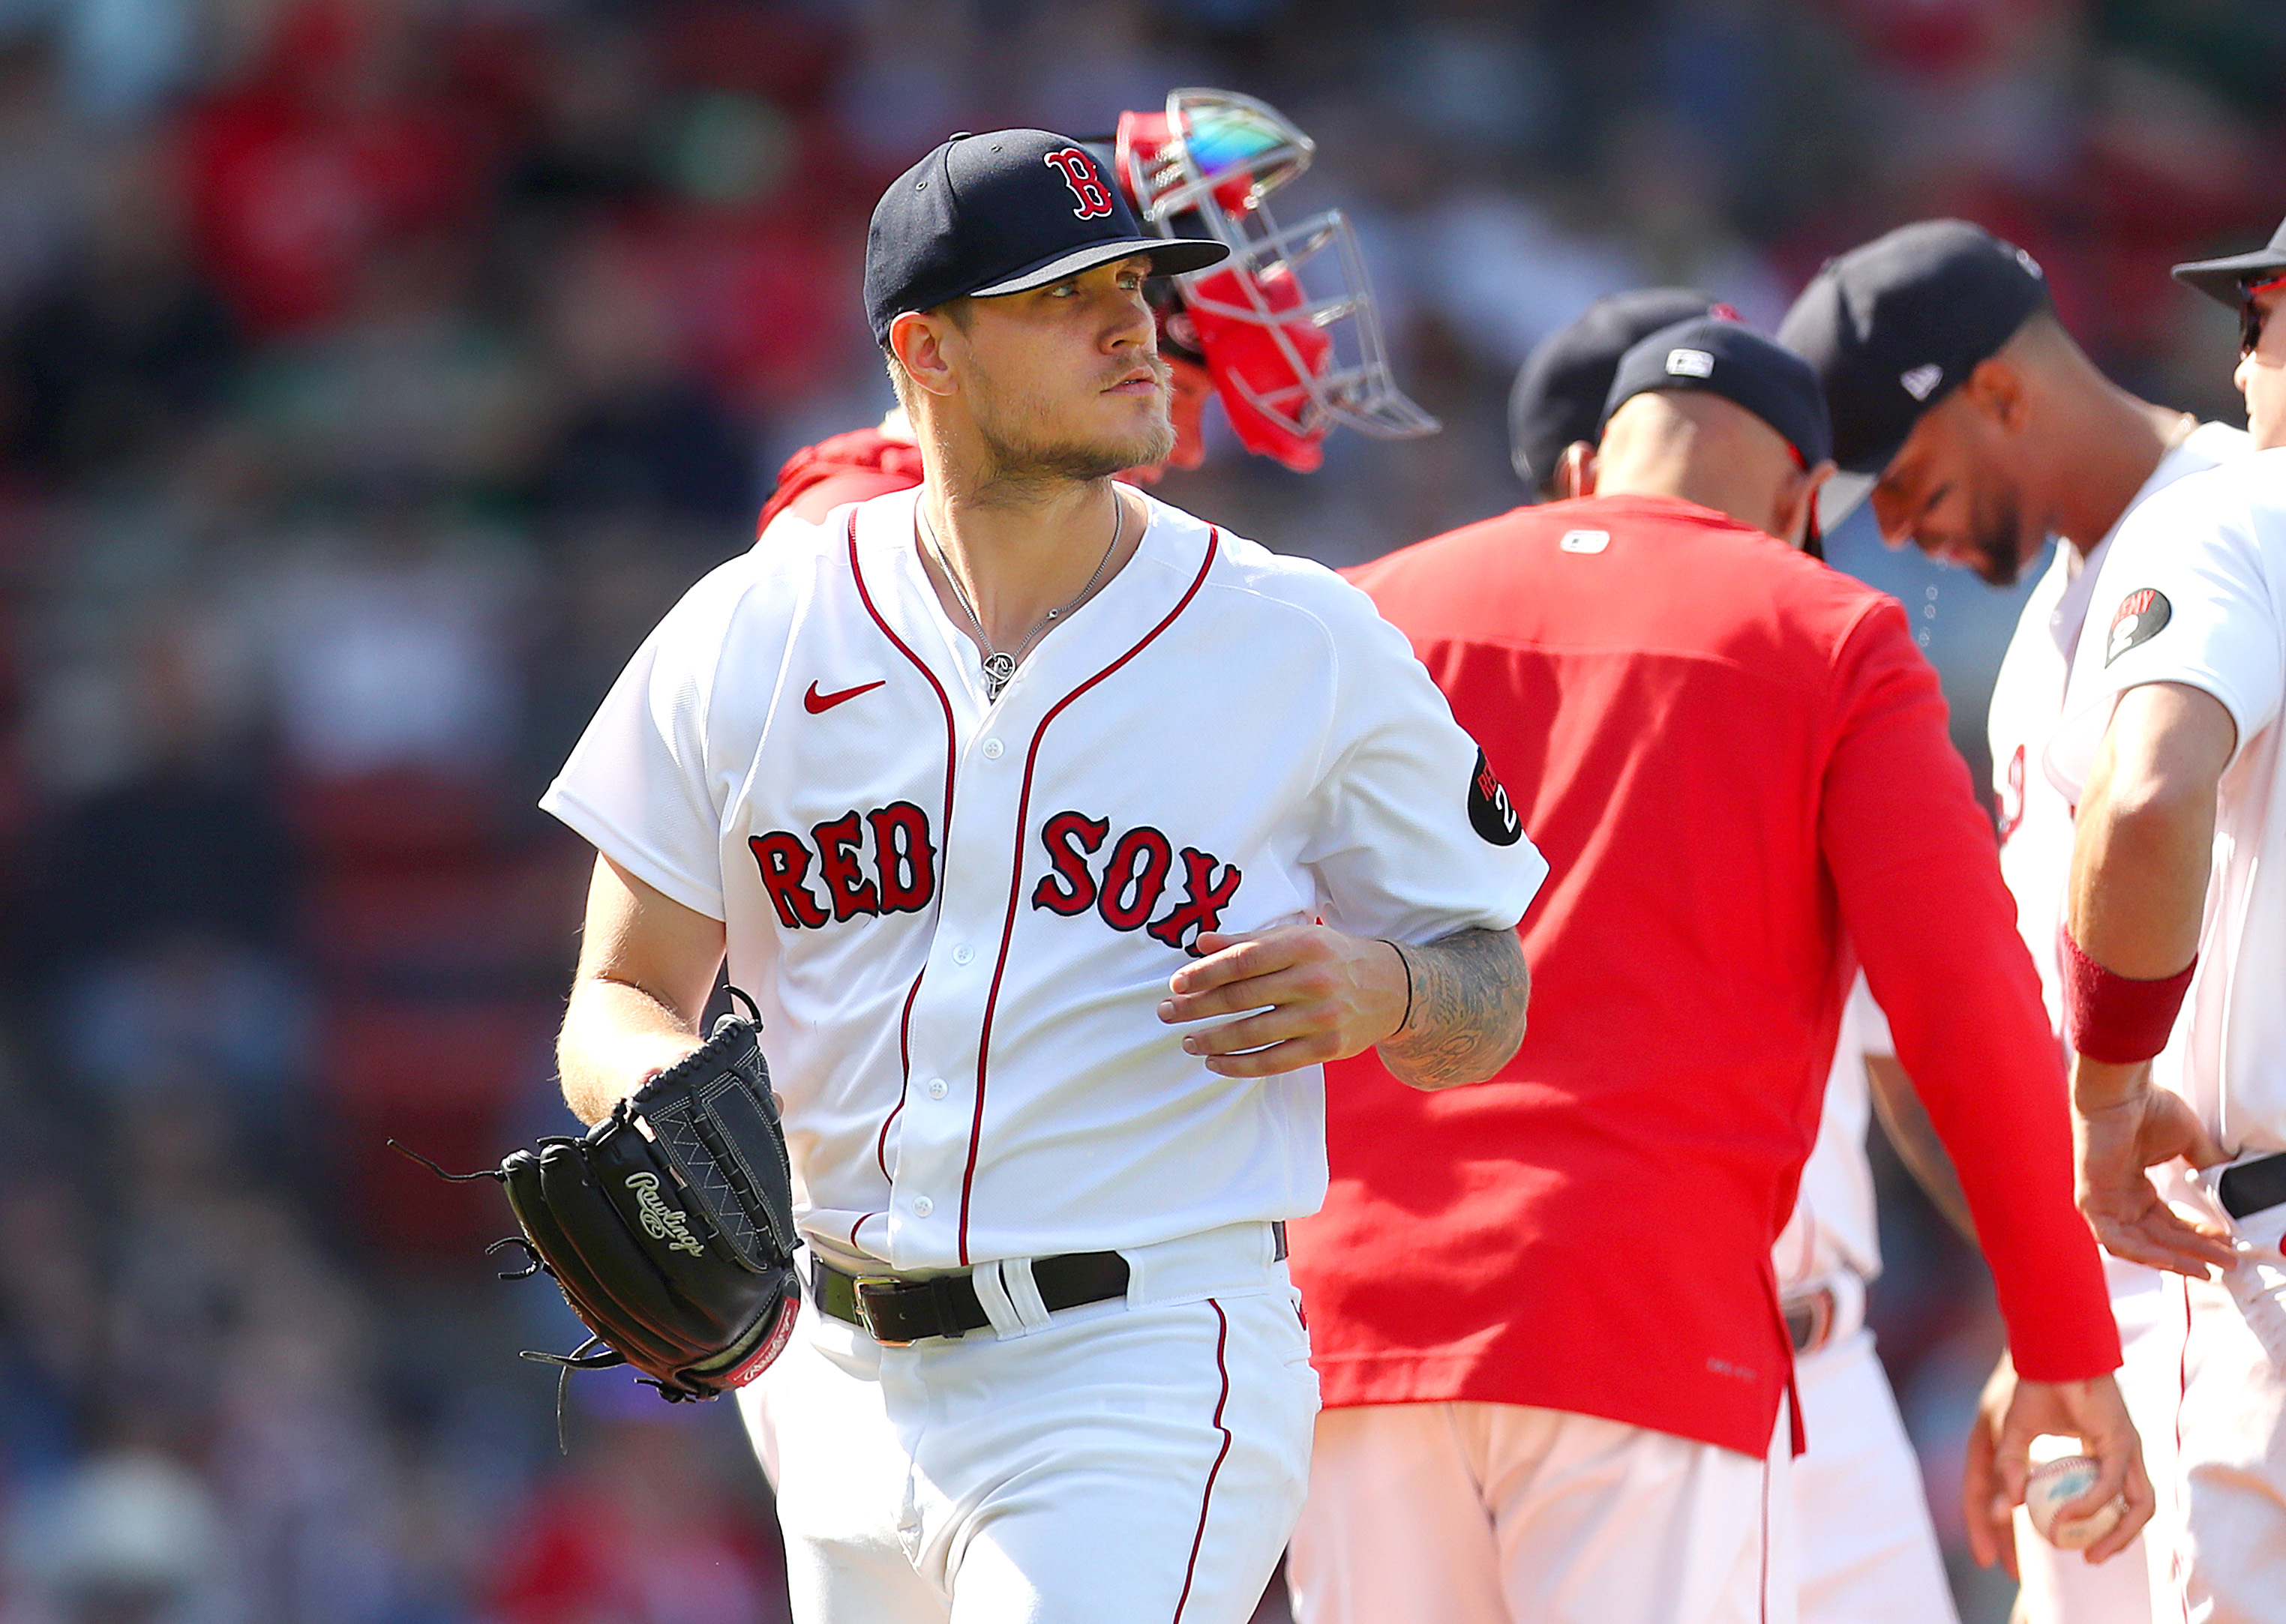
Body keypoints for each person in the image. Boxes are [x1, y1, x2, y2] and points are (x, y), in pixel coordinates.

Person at [538, 127, 1546, 1624]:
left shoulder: (1297, 638)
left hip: (1133, 1361)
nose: (1133, 322)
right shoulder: (753, 627)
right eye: (1066, 293)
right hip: (836, 1381)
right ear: (924, 350)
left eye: (1139, 281)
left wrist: (1387, 986)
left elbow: (1496, 989)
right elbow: (619, 992)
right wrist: (658, 1095)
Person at [1283, 316, 2145, 1624]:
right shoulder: (1829, 631)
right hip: (1645, 1320)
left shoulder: (1351, 603)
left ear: (1585, 464)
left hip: (1351, 1329)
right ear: (1801, 499)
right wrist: (2063, 1337)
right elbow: (1964, 1009)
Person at [1779, 219, 2252, 1622]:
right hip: (2151, 1261)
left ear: (1994, 393)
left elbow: (2153, 814)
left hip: (2243, 1235)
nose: (1898, 529)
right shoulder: (2063, 596)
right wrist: (2052, 1313)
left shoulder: (2235, 513)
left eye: (1906, 481)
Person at [1509, 288, 1964, 1624]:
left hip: (1827, 1371)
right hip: (1617, 1366)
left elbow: (1912, 1051)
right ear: (1583, 479)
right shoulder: (1432, 687)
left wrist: (2040, 1294)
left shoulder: (1792, 695)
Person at [2039, 214, 2286, 1624]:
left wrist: (2106, 1098)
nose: (2239, 378)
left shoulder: (2249, 511)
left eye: (2247, 332)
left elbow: (2140, 803)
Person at [754, 88, 1436, 537]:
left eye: (1135, 284)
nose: (1184, 448)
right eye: (1186, 394)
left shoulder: (1101, 540)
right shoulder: (848, 528)